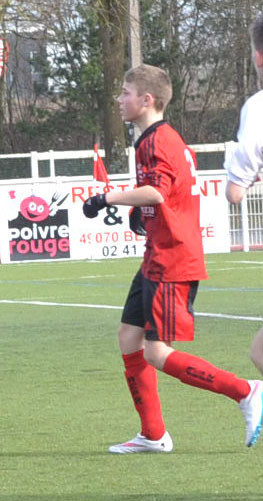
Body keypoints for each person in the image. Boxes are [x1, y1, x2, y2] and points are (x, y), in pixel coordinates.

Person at [81, 64, 263, 454]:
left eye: (126, 92)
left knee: (155, 351)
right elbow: (163, 195)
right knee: (129, 337)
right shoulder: (154, 138)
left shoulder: (157, 141)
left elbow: (157, 192)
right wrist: (140, 215)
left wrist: (106, 198)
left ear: (147, 100)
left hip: (172, 259)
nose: (120, 99)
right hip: (157, 254)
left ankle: (246, 391)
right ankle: (153, 434)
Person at [225, 14, 263, 374]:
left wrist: (243, 177)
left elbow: (235, 192)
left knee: (261, 352)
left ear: (258, 56)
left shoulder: (258, 108)